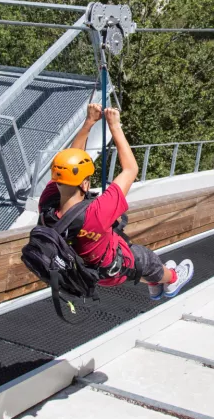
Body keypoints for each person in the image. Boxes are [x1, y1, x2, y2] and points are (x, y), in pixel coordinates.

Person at [39, 104, 193, 300]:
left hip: (84, 271)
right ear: (85, 185)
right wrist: (115, 126)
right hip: (111, 271)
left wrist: (89, 123)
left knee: (124, 237)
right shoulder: (98, 211)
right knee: (143, 259)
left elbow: (71, 160)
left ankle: (155, 284)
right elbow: (130, 169)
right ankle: (171, 279)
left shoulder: (47, 203)